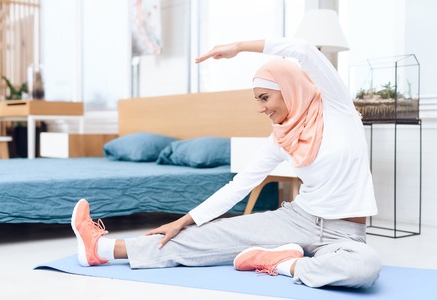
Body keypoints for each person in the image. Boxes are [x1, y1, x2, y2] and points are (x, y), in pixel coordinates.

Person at [71, 37, 382, 288]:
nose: (261, 108)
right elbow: (239, 185)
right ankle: (102, 249)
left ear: (287, 91)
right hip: (297, 219)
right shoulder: (281, 136)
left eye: (264, 98)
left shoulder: (337, 109)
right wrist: (184, 220)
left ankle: (284, 263)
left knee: (364, 268)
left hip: (345, 234)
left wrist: (238, 47)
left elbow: (302, 50)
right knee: (210, 236)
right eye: (256, 100)